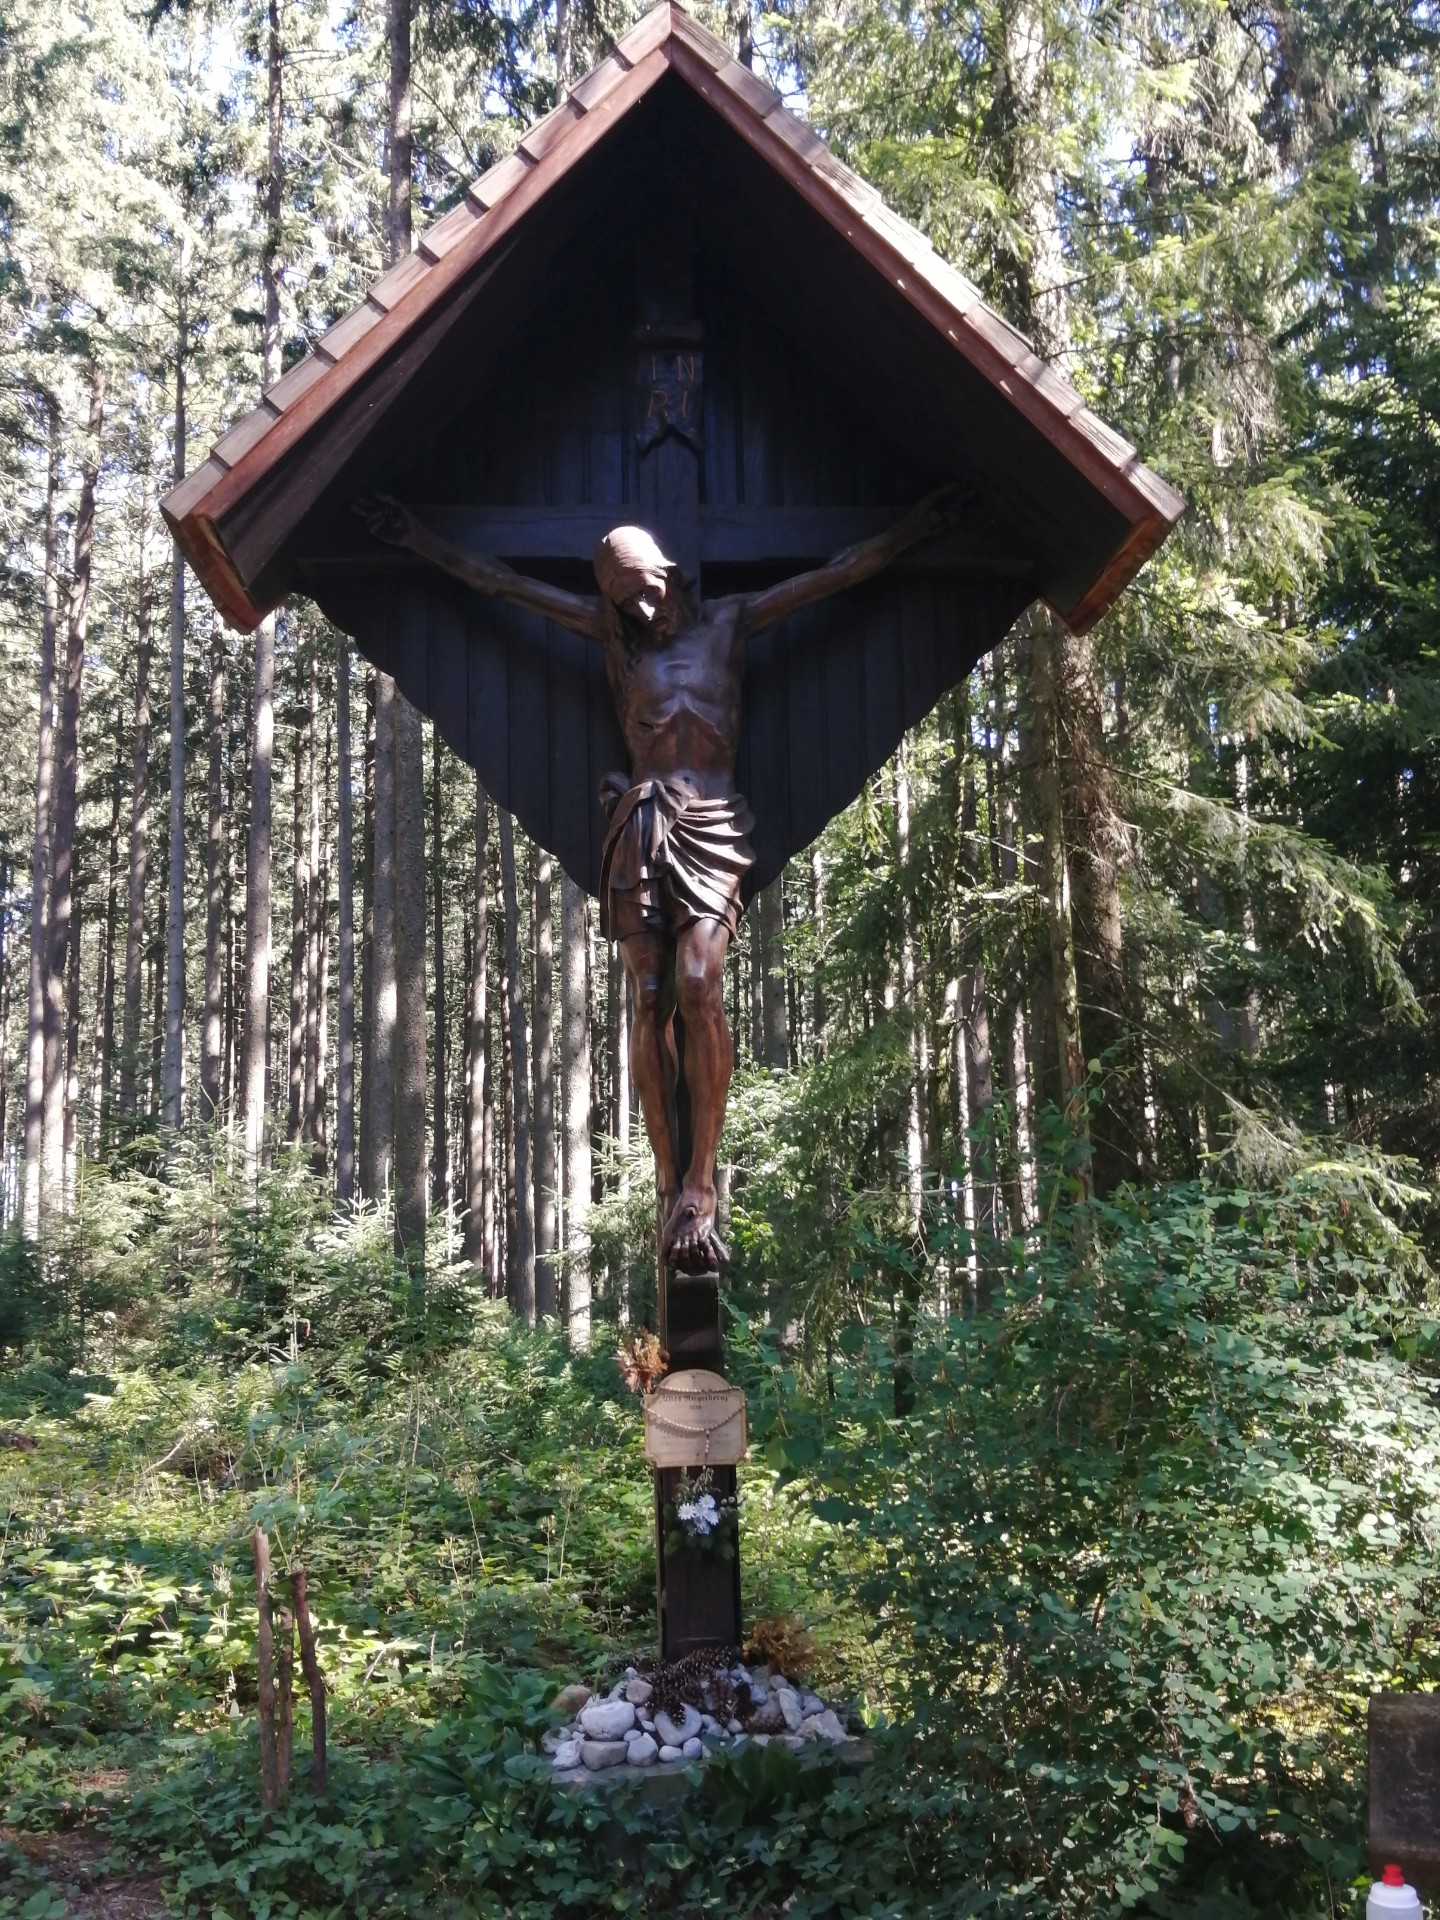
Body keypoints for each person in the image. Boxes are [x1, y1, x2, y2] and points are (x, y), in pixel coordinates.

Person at [356, 483, 965, 1271]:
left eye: (645, 595)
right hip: (640, 824)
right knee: (648, 997)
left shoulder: (731, 621)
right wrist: (415, 538)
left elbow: (843, 573)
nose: (640, 615)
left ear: (670, 575)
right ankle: (666, 1180)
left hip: (714, 821)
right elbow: (503, 585)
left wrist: (914, 525)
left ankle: (702, 1183)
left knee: (700, 982)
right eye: (624, 604)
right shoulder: (618, 645)